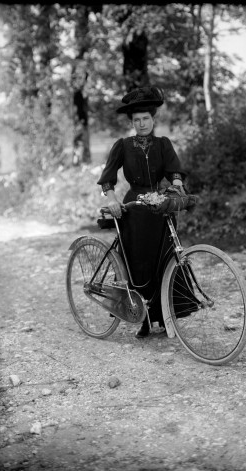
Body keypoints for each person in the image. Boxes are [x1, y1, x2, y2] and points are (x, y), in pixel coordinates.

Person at [97, 86, 187, 338]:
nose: (141, 123)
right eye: (136, 120)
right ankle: (143, 319)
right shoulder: (122, 146)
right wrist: (113, 200)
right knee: (138, 263)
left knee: (166, 259)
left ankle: (166, 315)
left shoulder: (163, 144)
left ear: (153, 119)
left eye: (145, 118)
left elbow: (175, 172)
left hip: (160, 208)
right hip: (134, 209)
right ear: (132, 122)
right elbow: (107, 180)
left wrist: (177, 186)